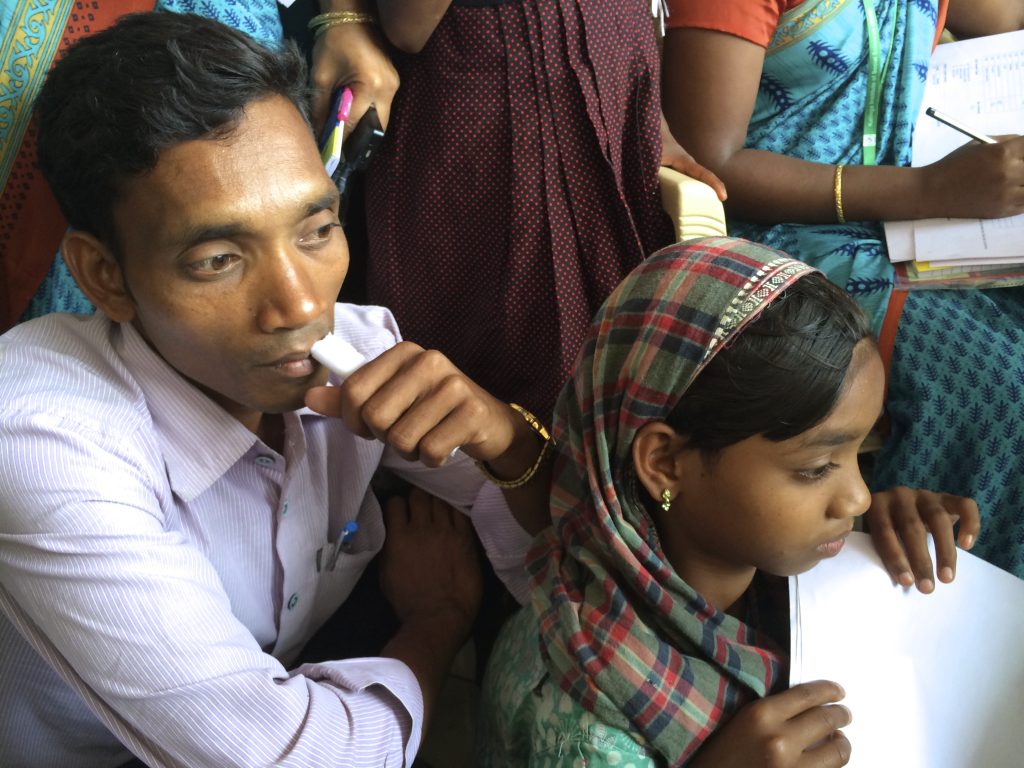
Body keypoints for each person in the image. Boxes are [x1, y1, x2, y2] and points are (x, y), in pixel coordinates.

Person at [0, 12, 553, 767]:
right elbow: (298, 758)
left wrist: (512, 442)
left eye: (316, 230)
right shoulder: (39, 439)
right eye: (218, 259)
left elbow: (564, 562)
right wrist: (435, 621)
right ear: (104, 276)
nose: (298, 305)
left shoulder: (354, 350)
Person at [477, 237, 979, 767]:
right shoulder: (583, 738)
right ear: (666, 464)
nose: (857, 496)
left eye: (862, 451)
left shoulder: (741, 565)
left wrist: (875, 543)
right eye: (815, 468)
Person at [660, 0, 1024, 579]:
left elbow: (1008, 18)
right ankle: (944, 609)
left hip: (914, 222)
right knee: (999, 385)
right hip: (779, 246)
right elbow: (711, 161)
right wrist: (931, 190)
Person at [362, 0, 726, 421]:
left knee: (626, 359)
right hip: (484, 137)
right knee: (492, 374)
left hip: (612, 114)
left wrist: (656, 126)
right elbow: (408, 28)